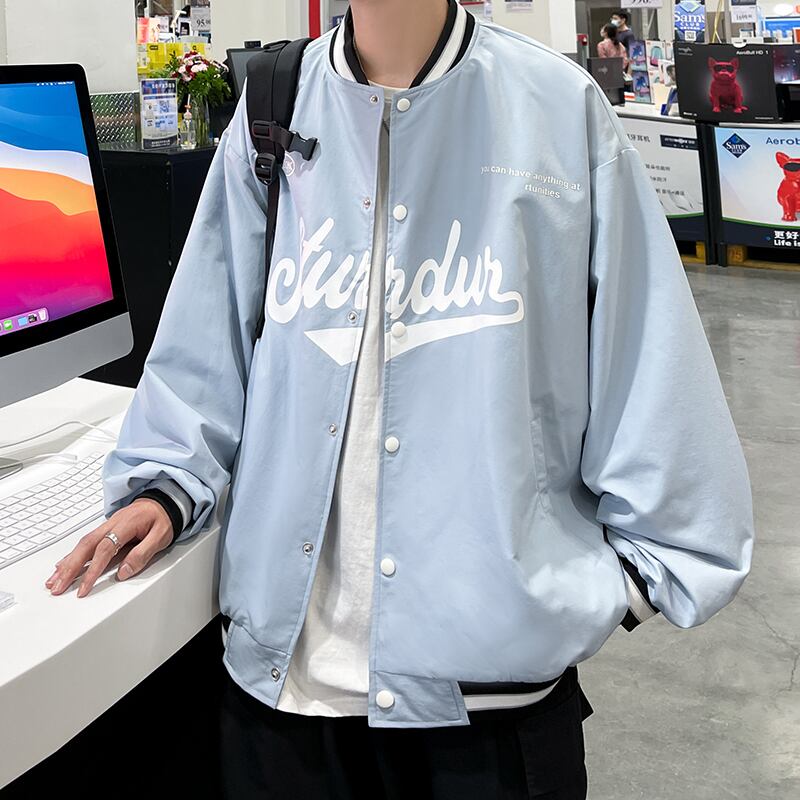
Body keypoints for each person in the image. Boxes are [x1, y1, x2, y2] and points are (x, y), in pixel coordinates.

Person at [46, 1, 754, 797]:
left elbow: (650, 359)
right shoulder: (274, 103)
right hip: (282, 699)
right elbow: (208, 339)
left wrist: (596, 592)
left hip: (491, 710)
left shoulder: (558, 106)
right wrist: (169, 483)